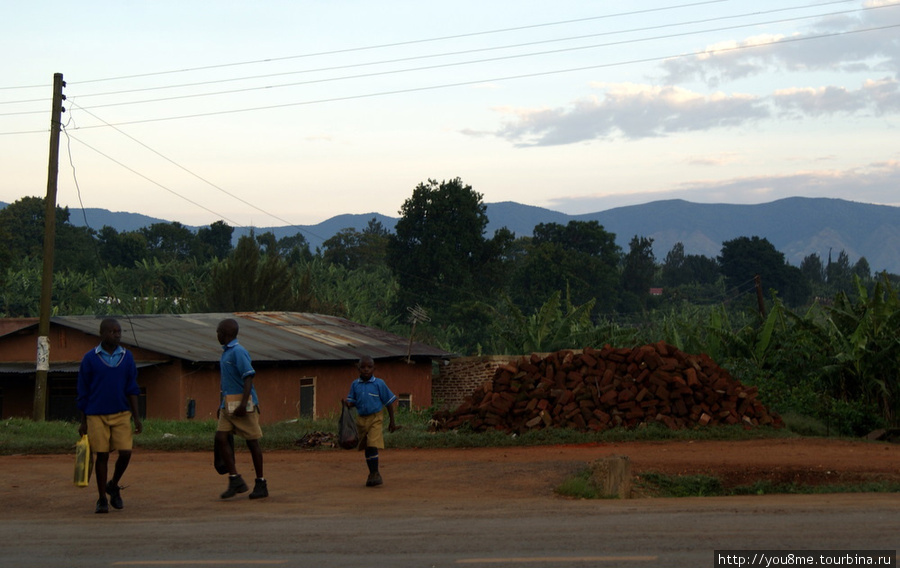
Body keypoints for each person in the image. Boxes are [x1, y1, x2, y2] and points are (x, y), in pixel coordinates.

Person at [76, 318, 143, 514]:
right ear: (102, 334)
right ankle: (101, 499)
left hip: (122, 413)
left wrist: (137, 417)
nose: (117, 335)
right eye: (113, 332)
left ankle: (113, 484)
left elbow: (132, 388)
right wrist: (83, 421)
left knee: (126, 452)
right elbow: (83, 391)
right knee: (102, 455)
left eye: (119, 332)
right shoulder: (90, 358)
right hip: (95, 414)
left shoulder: (127, 357)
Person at [215, 318, 267, 500]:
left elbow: (248, 378)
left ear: (227, 334)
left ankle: (261, 482)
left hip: (243, 406)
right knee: (221, 437)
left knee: (252, 442)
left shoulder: (238, 352)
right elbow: (226, 382)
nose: (217, 335)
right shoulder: (225, 353)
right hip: (227, 406)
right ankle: (235, 479)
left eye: (219, 332)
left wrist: (244, 404)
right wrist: (220, 405)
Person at [343, 355, 397, 487]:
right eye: (363, 367)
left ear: (374, 368)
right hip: (361, 419)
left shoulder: (379, 384)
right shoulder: (355, 385)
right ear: (358, 369)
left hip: (376, 418)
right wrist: (347, 404)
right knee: (366, 447)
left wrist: (392, 422)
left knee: (373, 443)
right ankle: (372, 473)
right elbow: (353, 401)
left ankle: (375, 473)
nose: (366, 370)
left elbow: (388, 403)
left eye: (369, 367)